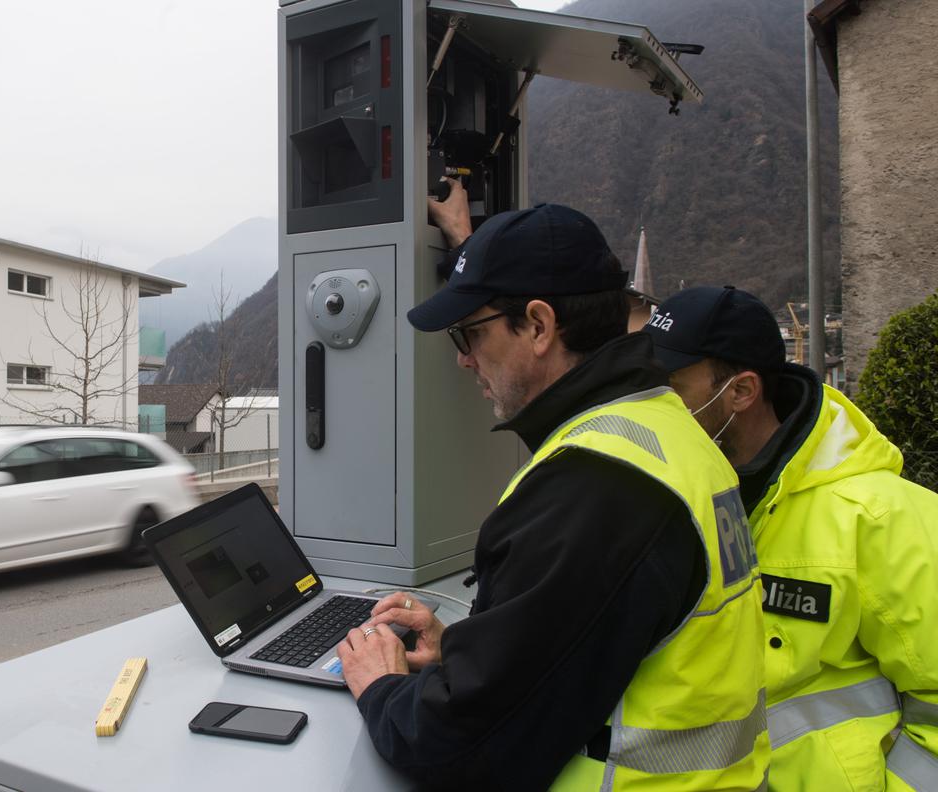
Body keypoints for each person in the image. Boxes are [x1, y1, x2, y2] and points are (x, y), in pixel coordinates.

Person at [335, 182, 770, 791]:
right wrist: (464, 649)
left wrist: (381, 685)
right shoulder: (665, 429)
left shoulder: (595, 486)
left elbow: (459, 747)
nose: (464, 359)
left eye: (470, 334)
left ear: (539, 325)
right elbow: (588, 646)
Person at [643, 285, 938, 792]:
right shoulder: (667, 498)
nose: (652, 406)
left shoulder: (880, 515)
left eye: (670, 387)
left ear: (741, 391)